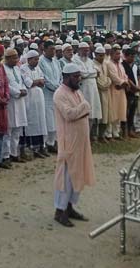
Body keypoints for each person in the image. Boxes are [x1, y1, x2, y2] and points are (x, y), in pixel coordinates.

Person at [53, 63, 95, 227]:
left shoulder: (76, 91)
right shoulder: (59, 94)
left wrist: (83, 107)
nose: (79, 79)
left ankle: (69, 207)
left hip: (81, 141)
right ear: (67, 77)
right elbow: (69, 114)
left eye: (79, 76)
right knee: (66, 177)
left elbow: (83, 109)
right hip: (68, 141)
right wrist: (84, 107)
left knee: (78, 174)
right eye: (76, 76)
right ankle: (59, 211)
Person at [72, 43, 102, 142]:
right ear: (79, 50)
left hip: (93, 90)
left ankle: (90, 137)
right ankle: (82, 138)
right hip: (83, 89)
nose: (86, 52)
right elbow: (82, 74)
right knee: (83, 113)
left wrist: (90, 73)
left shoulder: (90, 61)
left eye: (87, 50)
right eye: (84, 50)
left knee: (92, 113)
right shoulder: (74, 60)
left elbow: (97, 73)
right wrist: (92, 73)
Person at [21, 49, 48, 157]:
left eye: (37, 59)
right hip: (30, 98)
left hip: (39, 97)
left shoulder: (37, 68)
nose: (37, 61)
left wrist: (37, 82)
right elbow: (29, 83)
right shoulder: (23, 68)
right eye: (35, 59)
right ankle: (32, 147)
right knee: (32, 123)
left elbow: (43, 81)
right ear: (29, 59)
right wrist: (37, 81)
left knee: (41, 121)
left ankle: (41, 146)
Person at [3, 48, 28, 164]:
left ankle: (14, 153)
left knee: (17, 130)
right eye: (14, 57)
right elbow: (6, 86)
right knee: (8, 130)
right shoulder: (3, 69)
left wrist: (23, 89)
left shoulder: (17, 69)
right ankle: (6, 156)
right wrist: (18, 92)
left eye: (17, 57)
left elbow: (21, 82)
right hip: (11, 102)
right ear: (7, 58)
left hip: (20, 102)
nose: (16, 59)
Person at [38, 40, 62, 153]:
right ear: (45, 49)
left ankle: (53, 143)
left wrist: (60, 86)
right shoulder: (41, 61)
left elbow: (61, 75)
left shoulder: (56, 61)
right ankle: (46, 144)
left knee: (56, 119)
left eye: (54, 49)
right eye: (51, 49)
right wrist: (55, 87)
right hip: (47, 94)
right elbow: (44, 78)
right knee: (48, 120)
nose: (53, 51)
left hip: (57, 94)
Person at [104, 47, 127, 139]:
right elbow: (114, 77)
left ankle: (116, 132)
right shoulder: (109, 64)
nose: (118, 55)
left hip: (121, 90)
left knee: (120, 110)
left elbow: (125, 75)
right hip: (113, 90)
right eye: (116, 54)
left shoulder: (120, 64)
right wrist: (122, 83)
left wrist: (125, 82)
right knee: (112, 111)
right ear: (111, 54)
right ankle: (109, 133)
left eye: (119, 53)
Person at [92, 47, 112, 142]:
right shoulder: (92, 64)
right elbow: (97, 81)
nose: (102, 57)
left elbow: (108, 77)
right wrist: (105, 85)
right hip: (98, 92)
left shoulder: (105, 64)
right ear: (95, 55)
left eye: (103, 55)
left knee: (106, 114)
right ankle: (94, 136)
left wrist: (108, 83)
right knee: (97, 114)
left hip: (106, 92)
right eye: (100, 55)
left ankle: (102, 135)